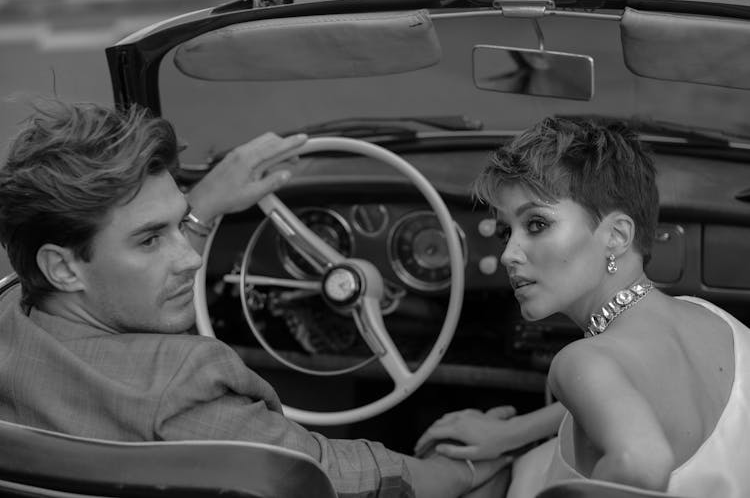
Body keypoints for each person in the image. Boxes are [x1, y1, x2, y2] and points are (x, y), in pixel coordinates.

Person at [0, 98, 510, 498]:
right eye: (151, 239)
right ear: (62, 267)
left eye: (181, 226)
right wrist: (458, 469)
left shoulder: (9, 310)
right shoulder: (181, 386)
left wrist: (201, 209)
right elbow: (330, 476)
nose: (192, 259)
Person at [415, 117, 750, 497]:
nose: (508, 254)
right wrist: (511, 433)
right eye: (507, 231)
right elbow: (620, 397)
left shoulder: (582, 362)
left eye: (537, 224)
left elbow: (641, 462)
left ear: (617, 236)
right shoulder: (714, 321)